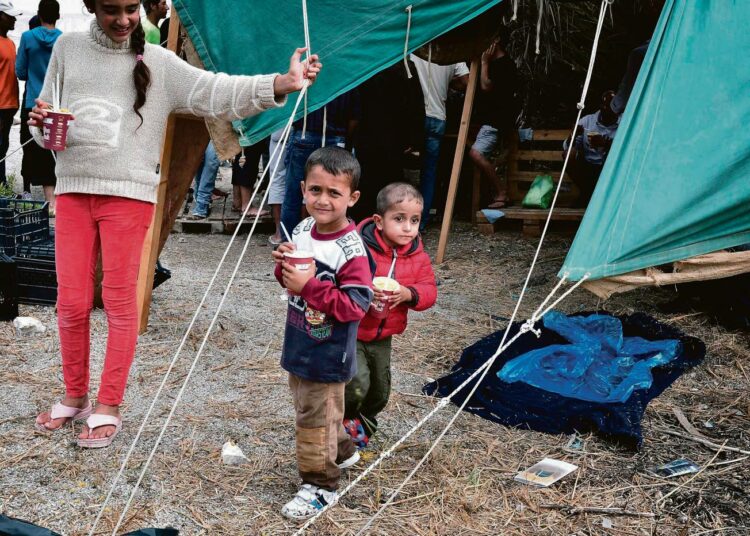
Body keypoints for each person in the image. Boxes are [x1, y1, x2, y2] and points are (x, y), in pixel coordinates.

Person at [30, 0, 321, 448]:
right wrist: (39, 123)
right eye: (112, 9)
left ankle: (109, 404)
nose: (125, 19)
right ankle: (75, 395)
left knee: (119, 301)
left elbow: (217, 91)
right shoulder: (67, 48)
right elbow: (48, 118)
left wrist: (280, 83)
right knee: (70, 303)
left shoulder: (160, 63)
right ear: (91, 5)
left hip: (129, 196)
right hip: (72, 189)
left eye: (132, 9)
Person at [272, 146, 373, 520]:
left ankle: (319, 485)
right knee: (312, 405)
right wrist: (283, 266)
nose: (323, 199)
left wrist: (308, 285)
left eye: (335, 192)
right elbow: (290, 283)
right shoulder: (300, 229)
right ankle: (344, 451)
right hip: (300, 341)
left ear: (353, 198)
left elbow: (355, 306)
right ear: (302, 189)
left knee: (312, 418)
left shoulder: (352, 250)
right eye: (316, 190)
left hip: (329, 351)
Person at [344, 183, 437, 447]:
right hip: (355, 331)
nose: (408, 228)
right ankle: (344, 421)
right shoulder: (360, 249)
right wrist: (365, 290)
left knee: (380, 391)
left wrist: (408, 294)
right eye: (399, 219)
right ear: (379, 221)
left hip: (384, 336)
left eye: (414, 220)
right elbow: (344, 278)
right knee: (357, 383)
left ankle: (362, 423)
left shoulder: (418, 257)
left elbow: (429, 290)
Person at [280, 89, 360, 235]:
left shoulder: (307, 73)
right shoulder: (347, 76)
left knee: (293, 194)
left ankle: (288, 243)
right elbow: (354, 117)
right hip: (336, 137)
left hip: (305, 135)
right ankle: (331, 238)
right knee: (337, 192)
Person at [410, 52, 469, 230]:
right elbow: (467, 82)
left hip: (413, 116)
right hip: (437, 117)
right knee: (429, 172)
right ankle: (421, 223)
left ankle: (399, 219)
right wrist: (447, 83)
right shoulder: (451, 51)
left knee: (403, 168)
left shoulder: (413, 48)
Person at [16, 0, 61, 212]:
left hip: (33, 102)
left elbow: (21, 72)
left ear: (39, 15)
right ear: (58, 16)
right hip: (56, 103)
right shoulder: (63, 40)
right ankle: (58, 201)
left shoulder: (27, 38)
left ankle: (44, 199)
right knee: (56, 148)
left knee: (33, 148)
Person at [469, 31, 519, 210]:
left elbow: (486, 85)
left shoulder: (504, 65)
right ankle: (497, 192)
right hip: (490, 120)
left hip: (496, 122)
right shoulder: (499, 63)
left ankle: (501, 192)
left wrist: (484, 62)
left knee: (476, 153)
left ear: (497, 39)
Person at [563, 90, 620, 206]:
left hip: (611, 169)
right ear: (601, 106)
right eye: (605, 105)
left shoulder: (625, 123)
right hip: (588, 168)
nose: (608, 109)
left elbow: (629, 150)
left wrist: (605, 144)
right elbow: (568, 146)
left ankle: (593, 198)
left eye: (612, 106)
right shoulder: (587, 121)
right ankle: (588, 194)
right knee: (568, 154)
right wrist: (572, 136)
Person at [0, 0, 21, 187]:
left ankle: (3, 184)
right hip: (0, 105)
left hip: (9, 105)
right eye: (10, 16)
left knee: (3, 147)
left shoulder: (10, 43)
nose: (14, 19)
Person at [230, 137, 269, 215]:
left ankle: (238, 203)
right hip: (252, 131)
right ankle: (246, 207)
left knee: (241, 156)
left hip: (243, 130)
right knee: (249, 158)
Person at [187, 141, 221, 220]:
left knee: (211, 161)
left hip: (216, 133)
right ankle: (200, 199)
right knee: (200, 162)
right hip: (198, 131)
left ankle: (202, 204)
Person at [267, 127, 287, 246]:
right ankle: (302, 233)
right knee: (305, 179)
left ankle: (279, 233)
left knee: (277, 179)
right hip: (303, 129)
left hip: (280, 126)